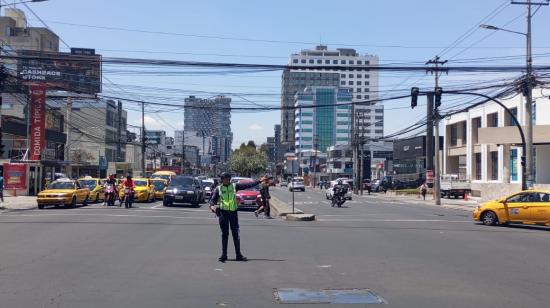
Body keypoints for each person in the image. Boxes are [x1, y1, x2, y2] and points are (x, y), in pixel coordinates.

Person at [209, 172, 260, 263]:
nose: (222, 180)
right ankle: (224, 255)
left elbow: (248, 185)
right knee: (225, 234)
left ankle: (238, 255)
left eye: (224, 178)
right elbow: (212, 201)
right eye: (222, 178)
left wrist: (259, 181)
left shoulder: (234, 186)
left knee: (235, 234)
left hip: (233, 213)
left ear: (228, 179)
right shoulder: (218, 188)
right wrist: (213, 208)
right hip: (223, 214)